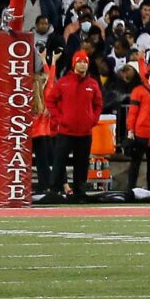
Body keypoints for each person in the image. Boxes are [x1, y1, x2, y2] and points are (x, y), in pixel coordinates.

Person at [42, 49, 105, 202]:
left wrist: (93, 120)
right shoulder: (63, 82)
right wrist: (59, 118)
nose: (83, 64)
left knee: (82, 163)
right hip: (65, 131)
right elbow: (50, 101)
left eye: (85, 61)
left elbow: (98, 104)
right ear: (74, 64)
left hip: (85, 132)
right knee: (59, 161)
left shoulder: (93, 84)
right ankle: (54, 191)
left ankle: (79, 191)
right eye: (80, 61)